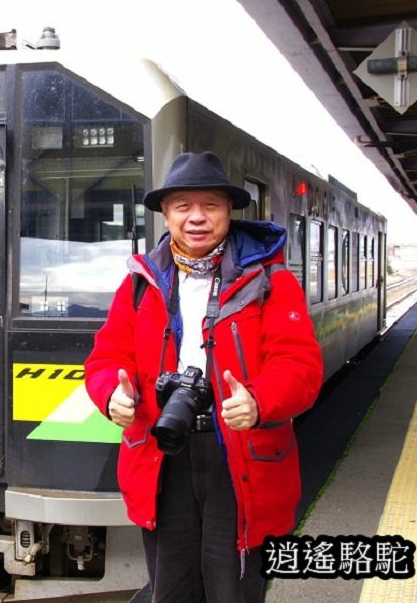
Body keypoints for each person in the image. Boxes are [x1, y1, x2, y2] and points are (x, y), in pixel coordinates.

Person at [84, 151, 323, 602]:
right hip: (161, 449)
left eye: (210, 205)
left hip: (237, 453)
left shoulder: (270, 280)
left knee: (232, 587)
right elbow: (102, 360)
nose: (196, 217)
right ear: (166, 215)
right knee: (170, 589)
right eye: (182, 206)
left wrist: (258, 400)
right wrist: (110, 394)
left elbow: (301, 366)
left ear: (228, 212)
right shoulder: (140, 283)